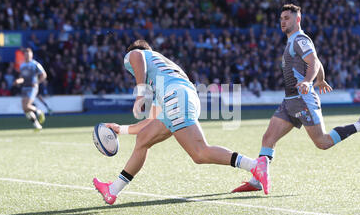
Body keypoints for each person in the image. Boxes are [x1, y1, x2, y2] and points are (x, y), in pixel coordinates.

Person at [231, 4, 360, 194]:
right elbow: (317, 61)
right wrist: (320, 79)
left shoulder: (300, 39)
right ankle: (256, 181)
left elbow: (313, 61)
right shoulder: (292, 41)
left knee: (323, 142)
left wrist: (307, 81)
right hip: (290, 100)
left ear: (298, 19)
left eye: (287, 18)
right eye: (281, 19)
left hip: (303, 99)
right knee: (268, 138)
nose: (283, 22)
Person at [93, 40, 267, 205]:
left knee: (200, 153)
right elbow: (150, 121)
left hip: (175, 97)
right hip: (181, 97)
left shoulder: (136, 54)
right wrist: (120, 129)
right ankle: (113, 190)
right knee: (143, 139)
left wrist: (140, 93)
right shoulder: (161, 75)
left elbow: (136, 55)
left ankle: (254, 165)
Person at [14, 48, 47, 130]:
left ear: (31, 55)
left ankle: (39, 111)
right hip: (25, 87)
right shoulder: (22, 65)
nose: (27, 56)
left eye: (28, 55)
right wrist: (18, 81)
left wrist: (37, 82)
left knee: (27, 105)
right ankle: (36, 124)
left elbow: (44, 75)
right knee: (25, 109)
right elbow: (22, 78)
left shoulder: (35, 64)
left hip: (32, 87)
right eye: (25, 55)